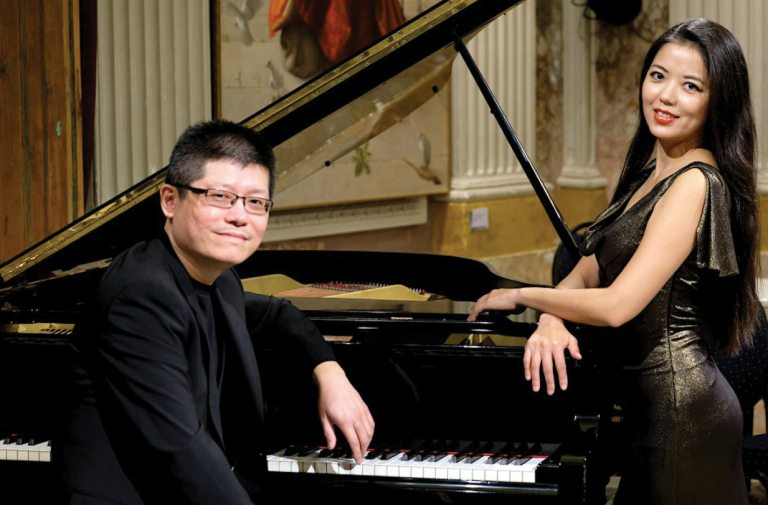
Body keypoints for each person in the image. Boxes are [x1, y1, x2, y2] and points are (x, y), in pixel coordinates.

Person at [468, 19, 758, 504]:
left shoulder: (695, 183)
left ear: (717, 100)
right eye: (658, 76)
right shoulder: (651, 170)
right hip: (648, 411)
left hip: (685, 413)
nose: (665, 96)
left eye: (691, 86)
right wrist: (553, 314)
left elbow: (617, 305)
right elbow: (588, 268)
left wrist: (522, 294)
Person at [62, 120, 375, 504]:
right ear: (169, 200)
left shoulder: (219, 279)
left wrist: (330, 372)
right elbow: (182, 447)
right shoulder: (140, 295)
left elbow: (278, 315)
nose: (240, 216)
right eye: (221, 196)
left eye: (256, 202)